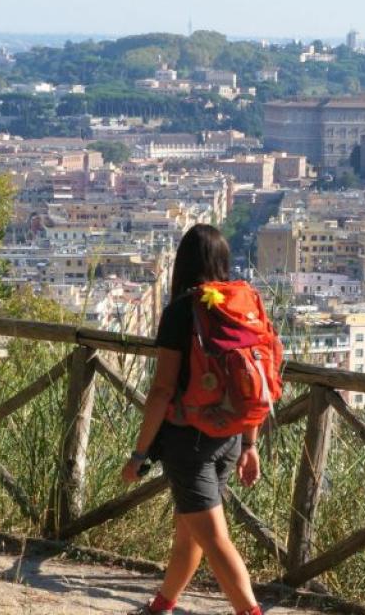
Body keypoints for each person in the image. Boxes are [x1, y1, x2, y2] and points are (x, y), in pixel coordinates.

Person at [122, 224, 263, 615]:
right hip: (229, 436)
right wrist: (250, 444)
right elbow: (252, 381)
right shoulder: (241, 305)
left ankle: (250, 612)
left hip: (189, 441)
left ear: (181, 264)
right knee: (190, 536)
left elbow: (162, 390)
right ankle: (161, 606)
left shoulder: (182, 310)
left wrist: (139, 453)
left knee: (215, 540)